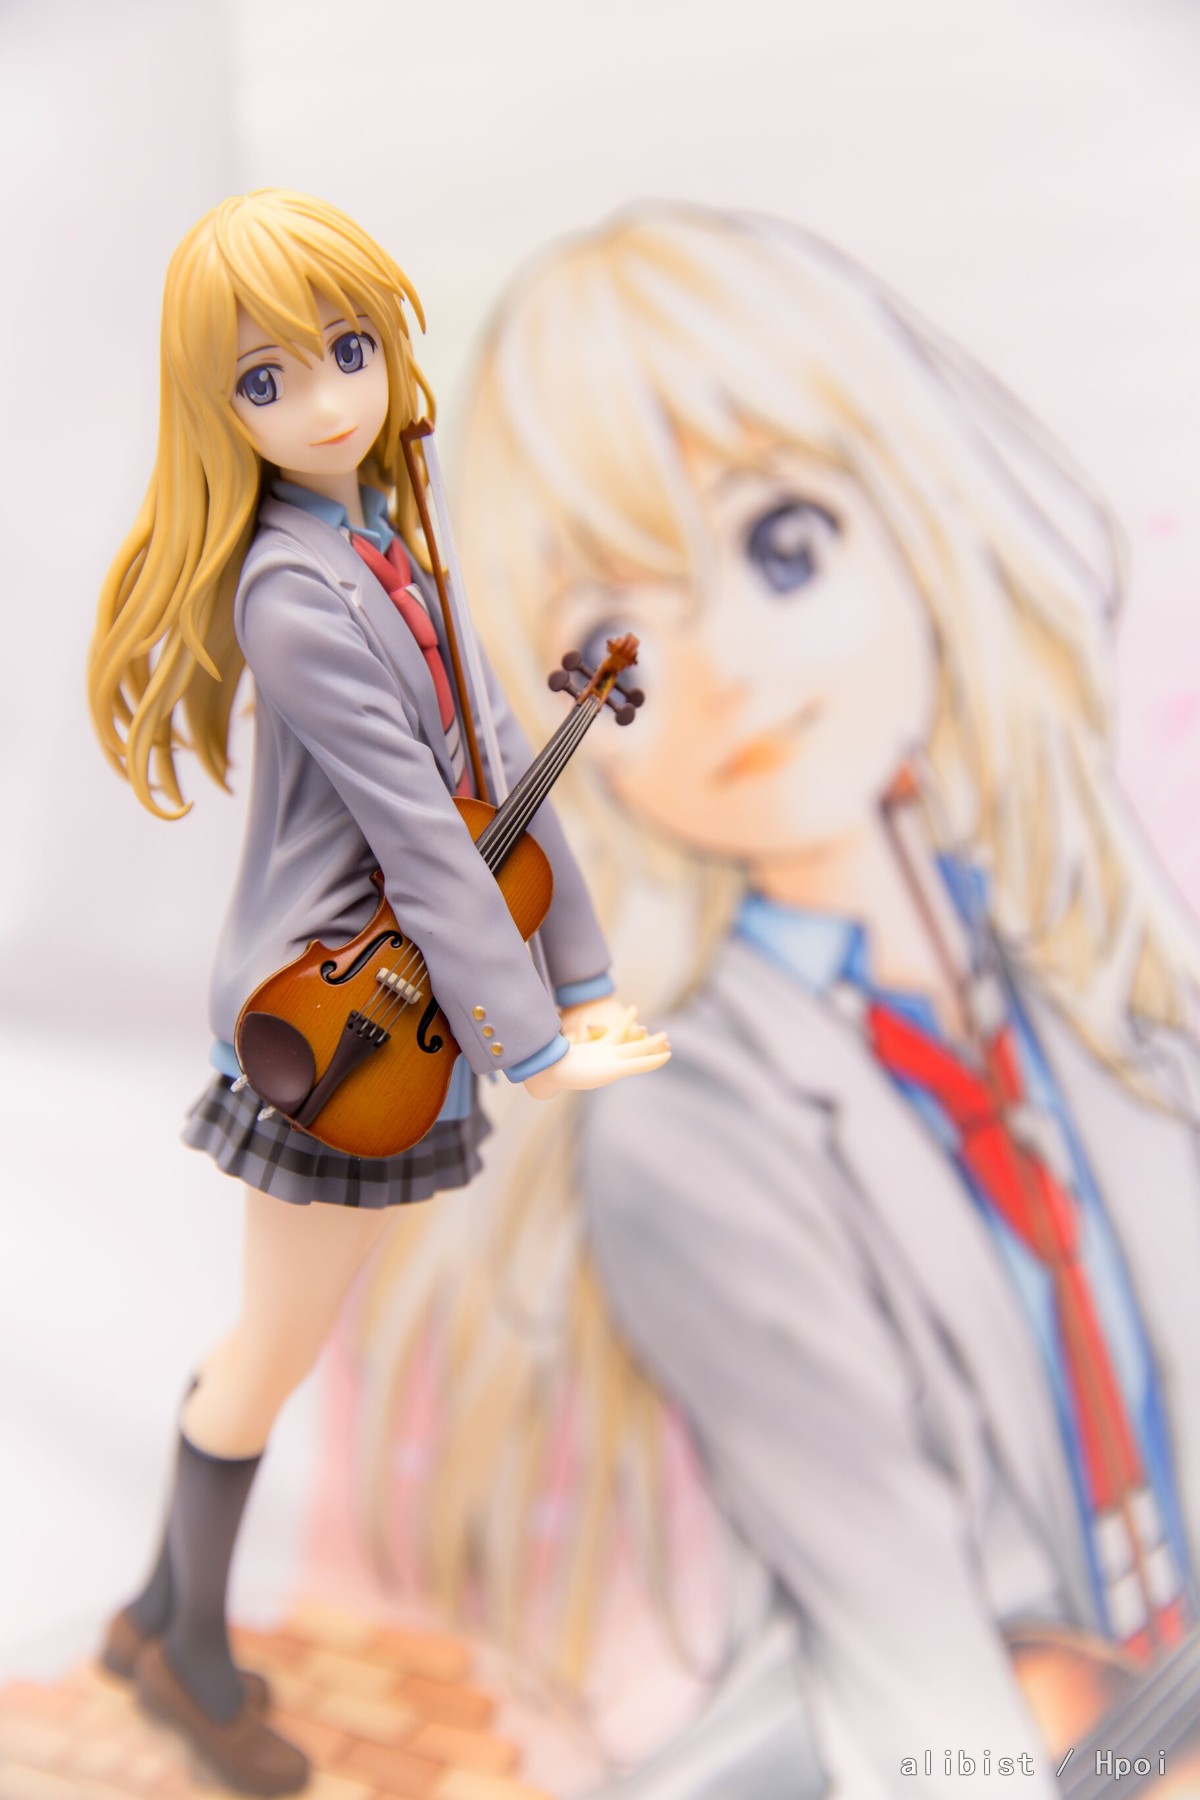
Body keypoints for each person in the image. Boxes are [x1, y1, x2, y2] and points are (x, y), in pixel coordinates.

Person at [347, 205, 1200, 1796]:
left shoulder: (1102, 997)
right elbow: (914, 1667)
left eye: (783, 547)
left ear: (919, 521)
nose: (724, 666)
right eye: (612, 648)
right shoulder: (687, 1133)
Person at [86, 188, 667, 1796]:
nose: (328, 401)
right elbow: (424, 839)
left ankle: (152, 1615)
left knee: (278, 1336)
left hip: (409, 1013)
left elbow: (503, 777)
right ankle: (188, 1653)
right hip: (334, 1026)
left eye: (348, 351)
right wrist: (531, 1042)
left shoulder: (398, 548)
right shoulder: (291, 595)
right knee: (274, 1349)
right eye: (266, 381)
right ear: (219, 412)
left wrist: (586, 976)